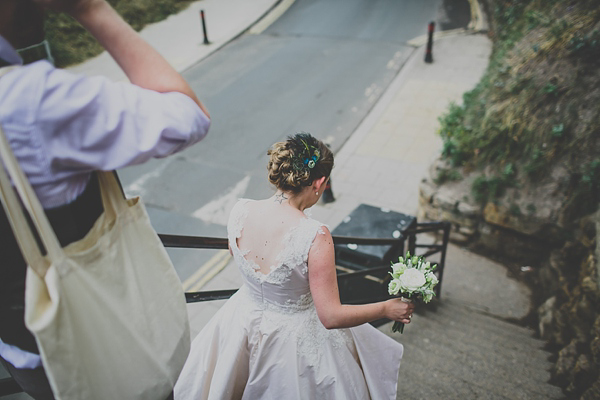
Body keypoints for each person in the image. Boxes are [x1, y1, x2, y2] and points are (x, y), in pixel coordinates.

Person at [0, 0, 211, 398]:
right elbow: (189, 116)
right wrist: (92, 9)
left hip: (21, 353)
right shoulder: (26, 101)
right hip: (100, 348)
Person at [174, 133, 414, 400]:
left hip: (241, 320)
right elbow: (331, 316)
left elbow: (237, 252)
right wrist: (386, 308)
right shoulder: (315, 235)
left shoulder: (240, 211)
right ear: (320, 182)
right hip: (294, 343)